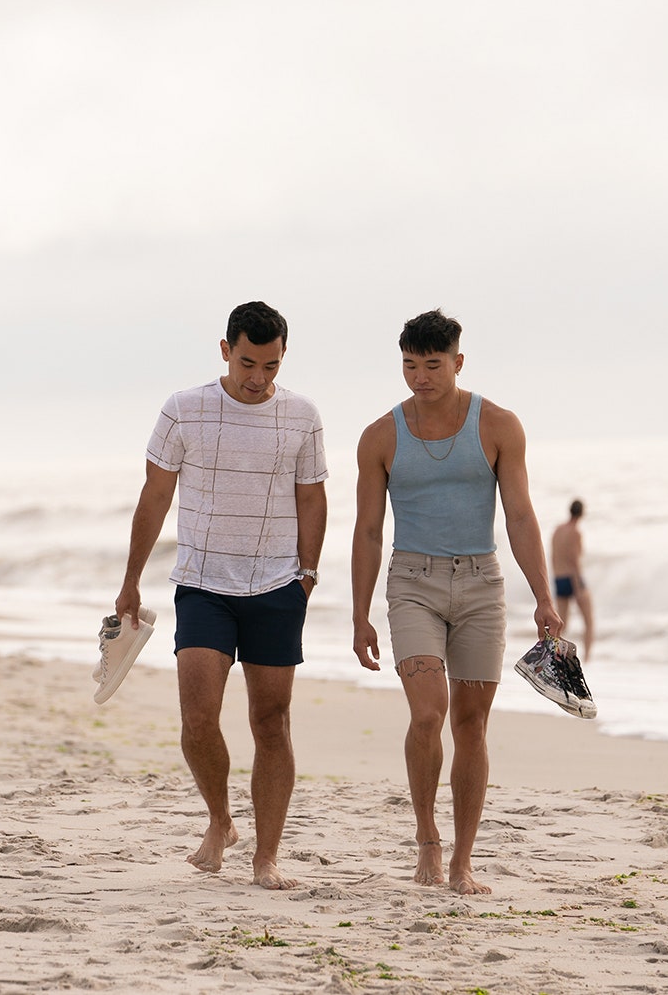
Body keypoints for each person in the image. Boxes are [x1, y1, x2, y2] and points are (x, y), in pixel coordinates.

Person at [113, 301, 327, 890]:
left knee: (272, 720)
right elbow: (154, 496)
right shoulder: (185, 410)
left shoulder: (302, 415)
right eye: (249, 362)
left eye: (272, 366)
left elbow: (312, 497)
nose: (258, 378)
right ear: (225, 349)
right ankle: (220, 820)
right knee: (198, 719)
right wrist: (131, 580)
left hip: (277, 586)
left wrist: (306, 575)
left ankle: (267, 856)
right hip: (204, 584)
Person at [350, 309, 562, 896]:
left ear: (458, 362)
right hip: (411, 581)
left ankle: (463, 860)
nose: (420, 377)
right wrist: (359, 612)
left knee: (472, 726)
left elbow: (519, 515)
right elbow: (368, 530)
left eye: (433, 365)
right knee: (427, 714)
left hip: (481, 584)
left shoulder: (497, 425)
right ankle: (427, 839)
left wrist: (543, 597)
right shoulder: (379, 437)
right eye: (410, 365)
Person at [551, 499, 595, 660]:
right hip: (573, 579)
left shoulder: (557, 530)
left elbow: (554, 556)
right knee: (589, 621)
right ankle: (588, 658)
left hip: (559, 578)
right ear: (582, 513)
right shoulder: (575, 532)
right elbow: (574, 560)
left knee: (561, 624)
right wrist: (578, 587)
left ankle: (555, 657)